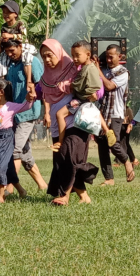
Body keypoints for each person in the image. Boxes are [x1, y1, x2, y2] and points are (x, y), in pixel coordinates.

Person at [0, 38, 48, 191]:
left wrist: (47, 113)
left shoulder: (33, 63)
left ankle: (9, 188)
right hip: (13, 115)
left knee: (14, 150)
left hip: (29, 113)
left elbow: (42, 87)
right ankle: (42, 184)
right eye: (7, 52)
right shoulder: (7, 65)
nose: (10, 54)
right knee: (24, 153)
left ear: (20, 47)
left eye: (12, 50)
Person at [40, 39, 98, 205]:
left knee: (70, 157)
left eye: (49, 55)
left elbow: (96, 88)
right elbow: (42, 94)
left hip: (76, 121)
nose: (47, 60)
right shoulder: (45, 76)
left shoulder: (76, 68)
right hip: (59, 125)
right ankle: (83, 197)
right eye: (43, 57)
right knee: (63, 160)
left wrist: (94, 95)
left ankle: (64, 196)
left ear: (58, 52)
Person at [54, 40, 115, 149]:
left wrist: (69, 85)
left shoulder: (88, 69)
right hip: (87, 100)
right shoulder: (88, 67)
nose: (74, 58)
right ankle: (106, 130)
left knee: (59, 114)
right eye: (73, 55)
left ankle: (60, 141)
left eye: (77, 55)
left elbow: (86, 84)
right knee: (95, 111)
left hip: (80, 100)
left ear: (88, 54)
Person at [94, 45, 134, 185]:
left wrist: (98, 69)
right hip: (102, 113)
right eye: (107, 56)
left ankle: (127, 162)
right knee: (102, 145)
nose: (109, 59)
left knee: (113, 142)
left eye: (112, 56)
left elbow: (110, 86)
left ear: (120, 57)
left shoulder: (123, 72)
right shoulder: (104, 70)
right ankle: (109, 179)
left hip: (115, 114)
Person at [0, 1, 36, 94]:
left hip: (23, 46)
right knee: (1, 60)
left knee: (27, 57)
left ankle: (29, 81)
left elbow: (25, 37)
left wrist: (11, 36)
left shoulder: (20, 24)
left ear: (15, 14)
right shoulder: (3, 27)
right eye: (4, 12)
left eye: (8, 12)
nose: (5, 14)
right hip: (9, 48)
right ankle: (2, 86)